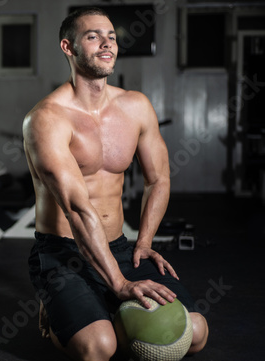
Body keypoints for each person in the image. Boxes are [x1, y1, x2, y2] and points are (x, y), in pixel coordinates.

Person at [23, 7, 209, 361]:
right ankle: (60, 308)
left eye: (111, 36)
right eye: (93, 36)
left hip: (121, 247)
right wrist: (121, 284)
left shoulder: (135, 106)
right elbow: (77, 209)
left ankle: (100, 306)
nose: (106, 43)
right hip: (65, 254)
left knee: (194, 334)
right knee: (99, 348)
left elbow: (159, 179)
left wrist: (144, 242)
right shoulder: (46, 119)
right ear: (68, 47)